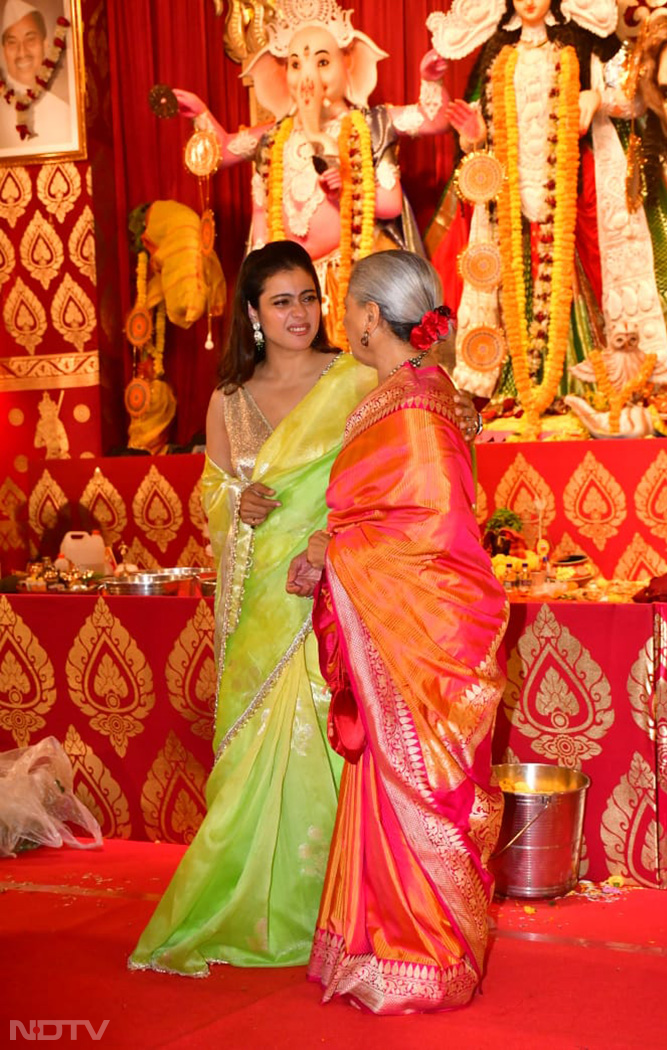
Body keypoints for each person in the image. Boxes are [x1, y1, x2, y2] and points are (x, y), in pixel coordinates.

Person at [129, 241, 481, 976]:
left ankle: (342, 903)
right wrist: (240, 503)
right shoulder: (228, 399)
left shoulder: (357, 376)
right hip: (261, 596)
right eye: (282, 301)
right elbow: (213, 492)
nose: (301, 313)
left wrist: (327, 540)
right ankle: (248, 905)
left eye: (310, 298)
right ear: (253, 315)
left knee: (335, 734)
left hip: (339, 588)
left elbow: (396, 468)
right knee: (261, 751)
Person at [287, 250, 508, 1013]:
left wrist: (333, 551)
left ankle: (420, 954)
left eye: (348, 306)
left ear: (374, 317)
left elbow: (435, 533)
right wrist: (335, 548)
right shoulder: (409, 394)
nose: (342, 320)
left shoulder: (413, 404)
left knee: (411, 785)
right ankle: (377, 942)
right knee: (384, 783)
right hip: (400, 623)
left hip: (422, 633)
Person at [427, 0, 667, 438]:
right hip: (511, 198)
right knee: (518, 282)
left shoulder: (585, 41)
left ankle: (588, 384)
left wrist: (598, 96)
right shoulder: (497, 50)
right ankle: (517, 389)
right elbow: (478, 128)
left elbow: (638, 94)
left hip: (575, 186)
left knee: (579, 278)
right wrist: (475, 136)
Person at [173, 0, 451, 345]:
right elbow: (223, 151)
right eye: (295, 64)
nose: (308, 77)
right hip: (291, 288)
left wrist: (430, 80)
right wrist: (200, 113)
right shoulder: (274, 136)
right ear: (280, 74)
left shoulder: (371, 125)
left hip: (354, 275)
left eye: (322, 62)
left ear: (349, 65)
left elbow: (433, 121)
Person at [0, 0, 71, 147]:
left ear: (45, 44)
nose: (22, 52)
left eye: (30, 39)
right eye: (12, 42)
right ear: (3, 50)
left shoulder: (64, 113)